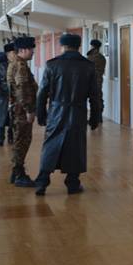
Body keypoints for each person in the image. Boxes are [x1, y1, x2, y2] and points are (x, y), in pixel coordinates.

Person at [34, 33, 103, 196]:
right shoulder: (88, 66)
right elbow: (95, 95)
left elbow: (42, 93)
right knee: (76, 146)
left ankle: (42, 182)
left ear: (63, 46)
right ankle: (72, 183)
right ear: (79, 46)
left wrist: (41, 114)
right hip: (78, 112)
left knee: (50, 145)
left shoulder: (52, 65)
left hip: (56, 111)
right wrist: (95, 117)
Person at [8, 36, 39, 186]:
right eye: (31, 49)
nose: (33, 52)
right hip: (21, 110)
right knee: (22, 140)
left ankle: (16, 173)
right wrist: (29, 109)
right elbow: (22, 89)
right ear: (23, 50)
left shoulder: (16, 63)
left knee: (19, 140)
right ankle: (19, 174)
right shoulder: (20, 66)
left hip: (17, 108)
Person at [0, 48, 14, 146]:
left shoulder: (18, 64)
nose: (15, 54)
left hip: (15, 95)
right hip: (3, 95)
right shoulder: (0, 65)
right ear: (8, 54)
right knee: (1, 117)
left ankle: (11, 135)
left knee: (13, 117)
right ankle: (0, 137)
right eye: (13, 52)